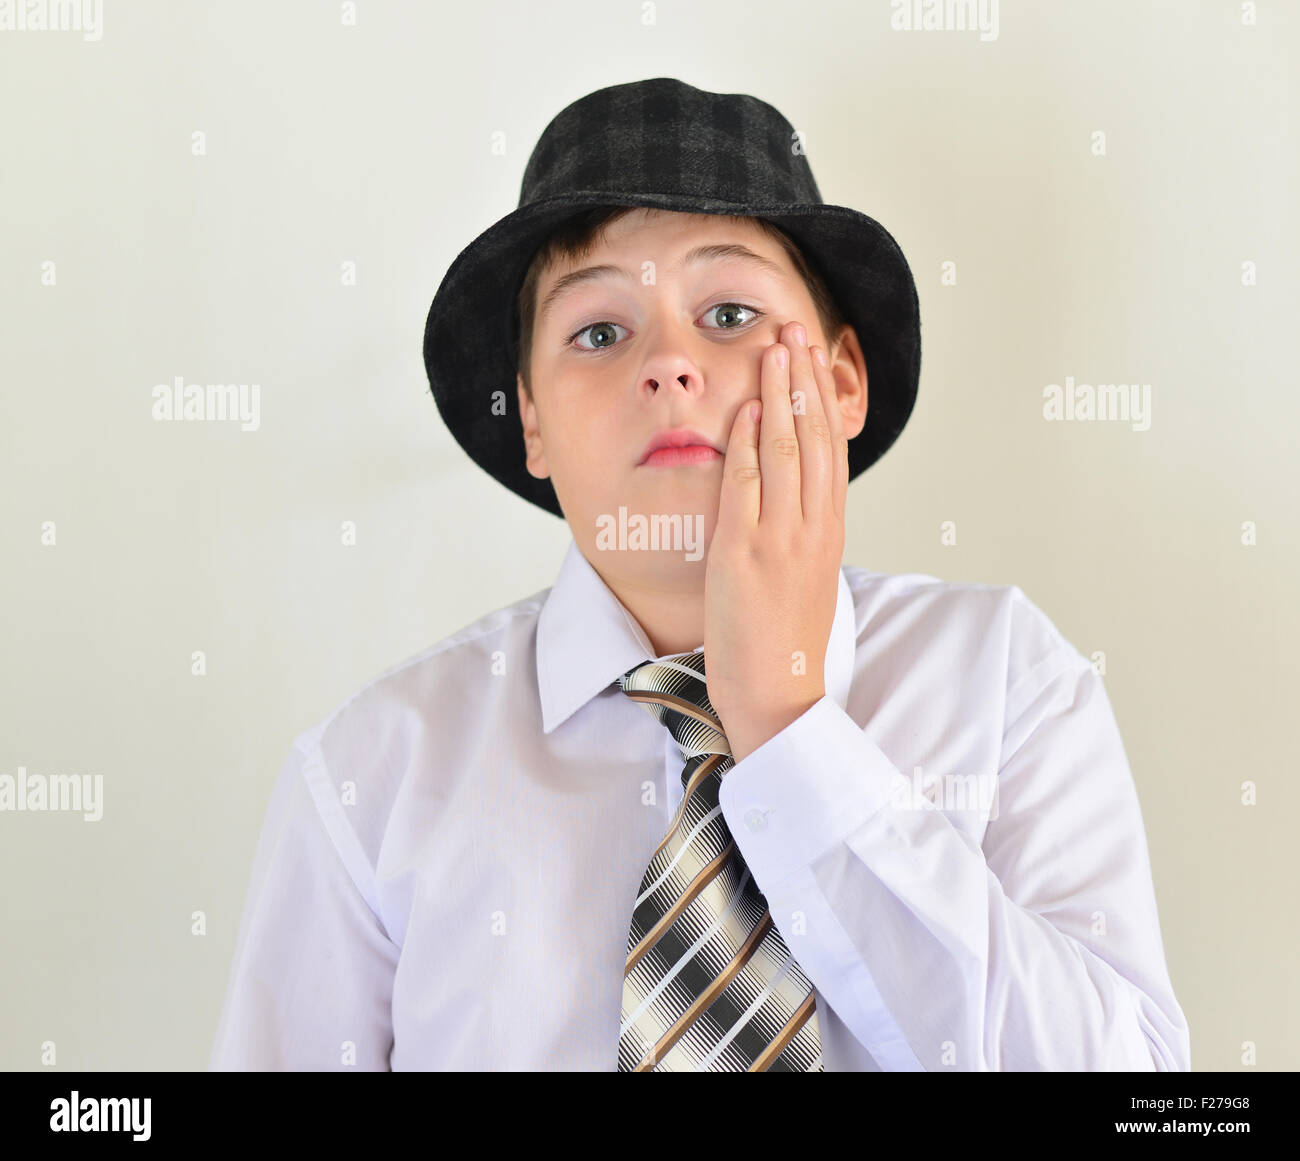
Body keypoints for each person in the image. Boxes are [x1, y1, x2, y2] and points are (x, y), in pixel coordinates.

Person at [209, 77, 1190, 1071]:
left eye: (727, 312)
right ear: (532, 420)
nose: (669, 364)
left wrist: (787, 729)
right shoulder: (371, 774)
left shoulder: (1007, 679)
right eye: (598, 331)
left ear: (842, 380)